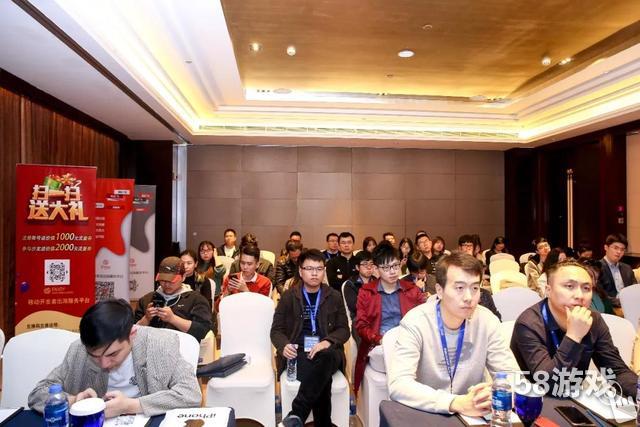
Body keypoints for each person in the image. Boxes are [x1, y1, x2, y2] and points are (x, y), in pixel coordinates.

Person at [387, 252, 520, 415]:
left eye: (475, 288)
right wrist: (456, 402)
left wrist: (500, 391)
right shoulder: (416, 322)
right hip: (427, 412)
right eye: (459, 288)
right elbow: (399, 384)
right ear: (439, 290)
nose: (469, 297)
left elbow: (513, 376)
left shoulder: (487, 320)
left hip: (474, 413)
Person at [29, 299, 201, 418]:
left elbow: (190, 394)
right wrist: (73, 401)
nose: (104, 364)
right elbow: (38, 394)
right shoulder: (79, 350)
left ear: (132, 335)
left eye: (112, 354)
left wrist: (131, 405)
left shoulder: (161, 343)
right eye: (94, 356)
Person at [511, 259, 637, 398]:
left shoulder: (593, 320)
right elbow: (548, 384)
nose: (579, 296)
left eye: (586, 288)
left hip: (576, 397)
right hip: (533, 400)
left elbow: (617, 371)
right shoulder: (529, 324)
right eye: (570, 286)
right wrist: (574, 336)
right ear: (548, 290)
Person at [271, 249, 350, 427]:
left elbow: (344, 330)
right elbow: (276, 330)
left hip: (329, 350)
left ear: (324, 271)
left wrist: (327, 342)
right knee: (321, 376)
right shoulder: (289, 296)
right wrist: (284, 345)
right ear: (300, 271)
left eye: (319, 269)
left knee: (326, 357)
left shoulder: (334, 296)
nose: (315, 273)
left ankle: (297, 413)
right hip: (299, 352)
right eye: (309, 268)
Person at [353, 242, 424, 393]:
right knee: (394, 357)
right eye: (386, 268)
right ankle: (401, 396)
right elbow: (361, 325)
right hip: (379, 344)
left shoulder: (412, 290)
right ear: (376, 269)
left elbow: (424, 320)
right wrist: (379, 339)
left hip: (407, 341)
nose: (392, 272)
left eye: (395, 266)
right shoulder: (366, 292)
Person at [135, 256, 212, 341]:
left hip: (183, 347)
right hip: (149, 345)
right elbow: (132, 332)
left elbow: (203, 331)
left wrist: (173, 319)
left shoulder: (196, 300)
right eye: (163, 280)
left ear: (183, 277)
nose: (166, 284)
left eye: (172, 280)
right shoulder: (147, 299)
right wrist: (146, 318)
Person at [457, 235, 502, 320]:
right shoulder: (454, 262)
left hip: (476, 290)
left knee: (486, 297)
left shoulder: (477, 261)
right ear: (460, 247)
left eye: (470, 245)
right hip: (460, 292)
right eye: (465, 245)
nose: (468, 248)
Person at [342, 251, 375, 344]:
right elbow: (355, 307)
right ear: (357, 267)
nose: (369, 267)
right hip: (359, 318)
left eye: (371, 264)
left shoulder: (376, 281)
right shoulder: (350, 284)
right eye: (365, 264)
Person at [597, 233, 634, 298]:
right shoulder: (597, 267)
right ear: (606, 247)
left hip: (628, 302)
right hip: (609, 303)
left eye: (622, 249)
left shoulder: (627, 268)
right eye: (615, 248)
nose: (619, 252)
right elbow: (600, 295)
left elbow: (634, 289)